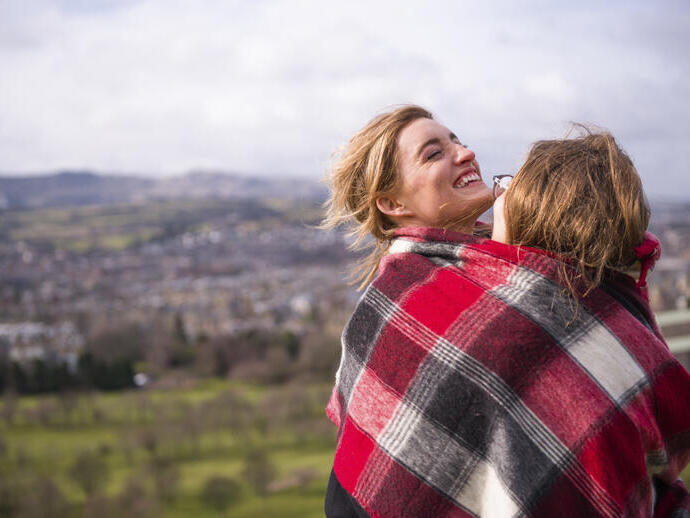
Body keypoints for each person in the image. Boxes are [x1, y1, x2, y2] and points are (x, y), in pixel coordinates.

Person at [322, 105, 690, 517]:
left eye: (456, 140)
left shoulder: (527, 266)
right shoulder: (394, 303)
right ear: (391, 202)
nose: (465, 153)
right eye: (433, 153)